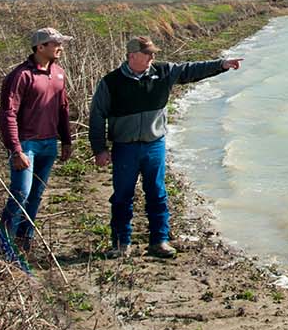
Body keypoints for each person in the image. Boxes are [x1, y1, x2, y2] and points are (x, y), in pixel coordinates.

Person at [88, 35, 241, 258]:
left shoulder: (164, 72)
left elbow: (190, 70)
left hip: (154, 145)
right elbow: (97, 116)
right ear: (132, 56)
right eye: (147, 53)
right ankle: (121, 243)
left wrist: (222, 65)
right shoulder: (111, 82)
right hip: (125, 147)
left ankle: (159, 241)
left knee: (157, 193)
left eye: (153, 53)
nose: (153, 56)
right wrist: (99, 149)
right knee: (122, 196)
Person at [0, 27, 75, 261]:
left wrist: (67, 140)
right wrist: (16, 149)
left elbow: (63, 109)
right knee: (21, 193)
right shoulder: (20, 76)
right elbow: (8, 113)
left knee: (36, 195)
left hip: (49, 145)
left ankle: (24, 243)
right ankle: (3, 246)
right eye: (55, 43)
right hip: (26, 145)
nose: (60, 47)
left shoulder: (59, 73)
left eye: (61, 43)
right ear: (40, 47)